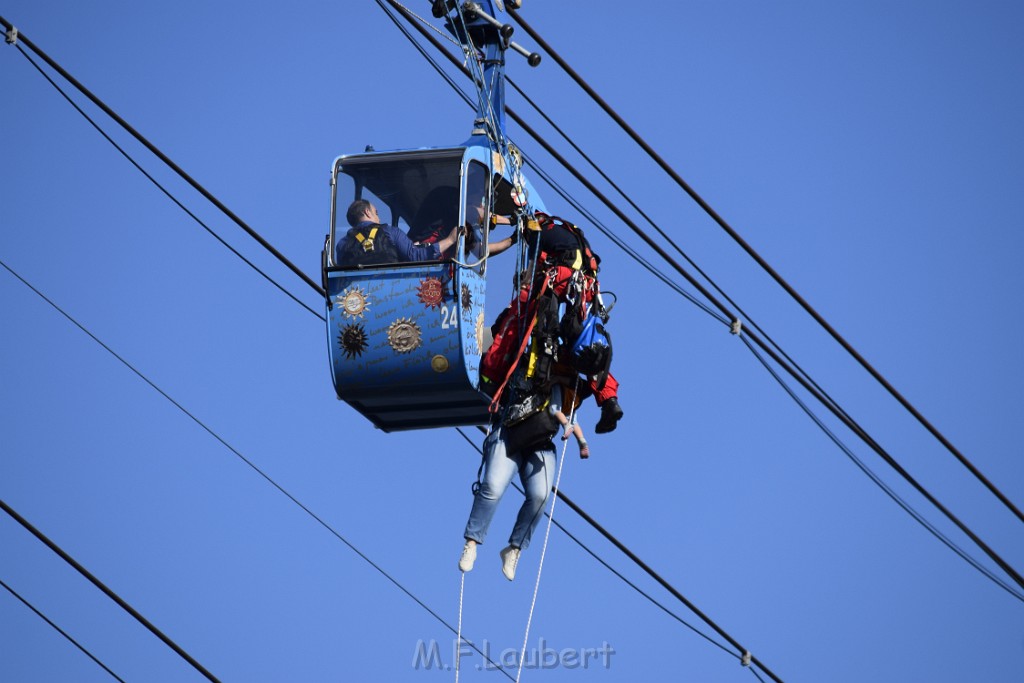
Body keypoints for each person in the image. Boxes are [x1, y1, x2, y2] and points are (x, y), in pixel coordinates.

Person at [480, 211, 624, 434]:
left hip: (560, 279)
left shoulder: (537, 230)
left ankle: (491, 377)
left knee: (517, 319)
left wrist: (494, 219)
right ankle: (609, 401)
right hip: (584, 289)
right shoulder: (570, 234)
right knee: (585, 347)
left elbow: (529, 271)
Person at [458, 377, 565, 581]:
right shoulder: (519, 359)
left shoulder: (561, 373)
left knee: (541, 496)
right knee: (493, 486)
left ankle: (514, 548)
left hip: (540, 439)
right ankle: (471, 542)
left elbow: (565, 406)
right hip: (510, 428)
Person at [336, 199, 460, 266]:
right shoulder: (390, 232)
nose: (378, 218)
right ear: (368, 212)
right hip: (392, 292)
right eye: (376, 212)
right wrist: (450, 239)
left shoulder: (342, 245)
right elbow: (417, 257)